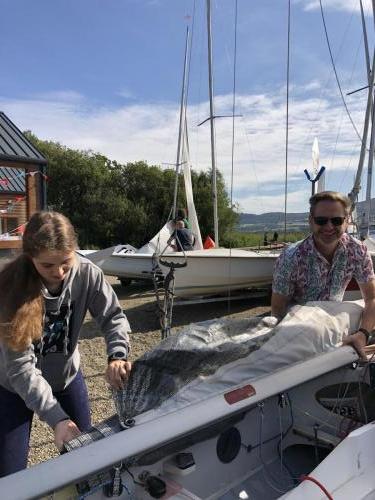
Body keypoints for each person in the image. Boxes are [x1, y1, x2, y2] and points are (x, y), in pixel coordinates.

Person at [0, 211, 132, 477]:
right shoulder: (10, 290)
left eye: (65, 262)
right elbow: (21, 368)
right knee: (9, 474)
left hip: (67, 379)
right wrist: (57, 418)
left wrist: (116, 355)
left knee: (85, 457)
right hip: (12, 388)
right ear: (30, 257)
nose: (58, 272)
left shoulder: (88, 275)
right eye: (47, 265)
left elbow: (113, 317)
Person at [271, 191, 375, 359]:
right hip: (296, 327)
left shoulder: (358, 251)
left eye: (336, 220)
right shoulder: (290, 258)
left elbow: (371, 299)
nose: (328, 227)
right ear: (311, 221)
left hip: (333, 322)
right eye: (321, 220)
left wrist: (363, 334)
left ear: (347, 221)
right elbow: (277, 310)